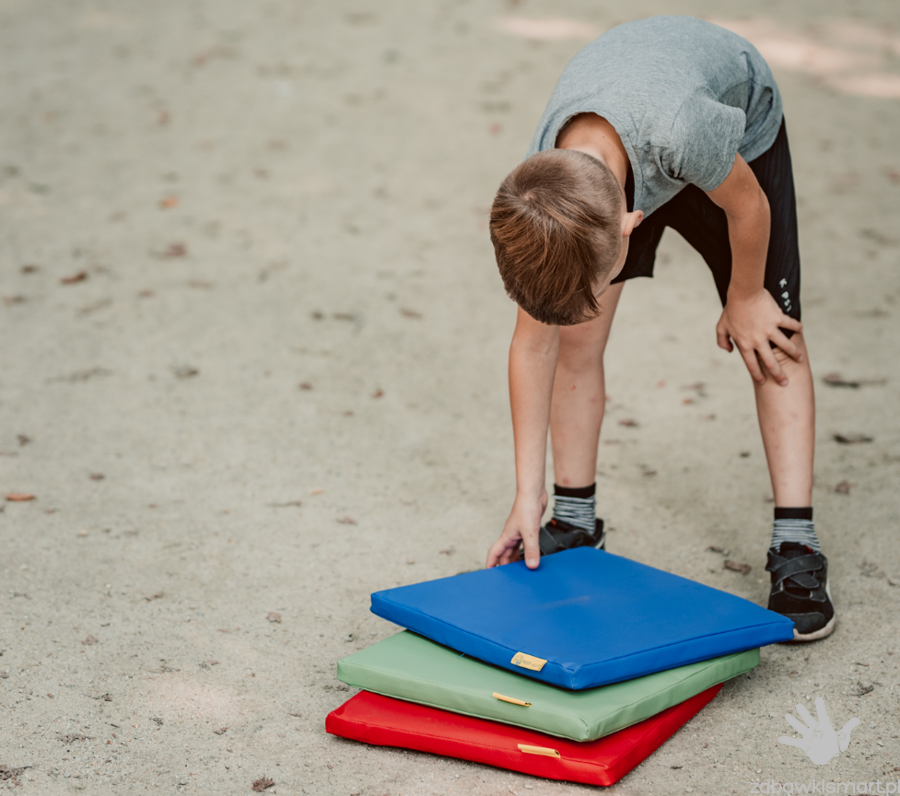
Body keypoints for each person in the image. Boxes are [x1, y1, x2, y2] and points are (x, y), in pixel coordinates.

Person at [484, 16, 834, 641]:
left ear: (630, 227)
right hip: (632, 131)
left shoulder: (686, 131)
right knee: (576, 343)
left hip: (732, 135)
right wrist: (524, 493)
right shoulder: (545, 199)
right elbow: (533, 344)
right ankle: (573, 517)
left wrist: (746, 294)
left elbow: (748, 205)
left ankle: (797, 543)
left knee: (773, 339)